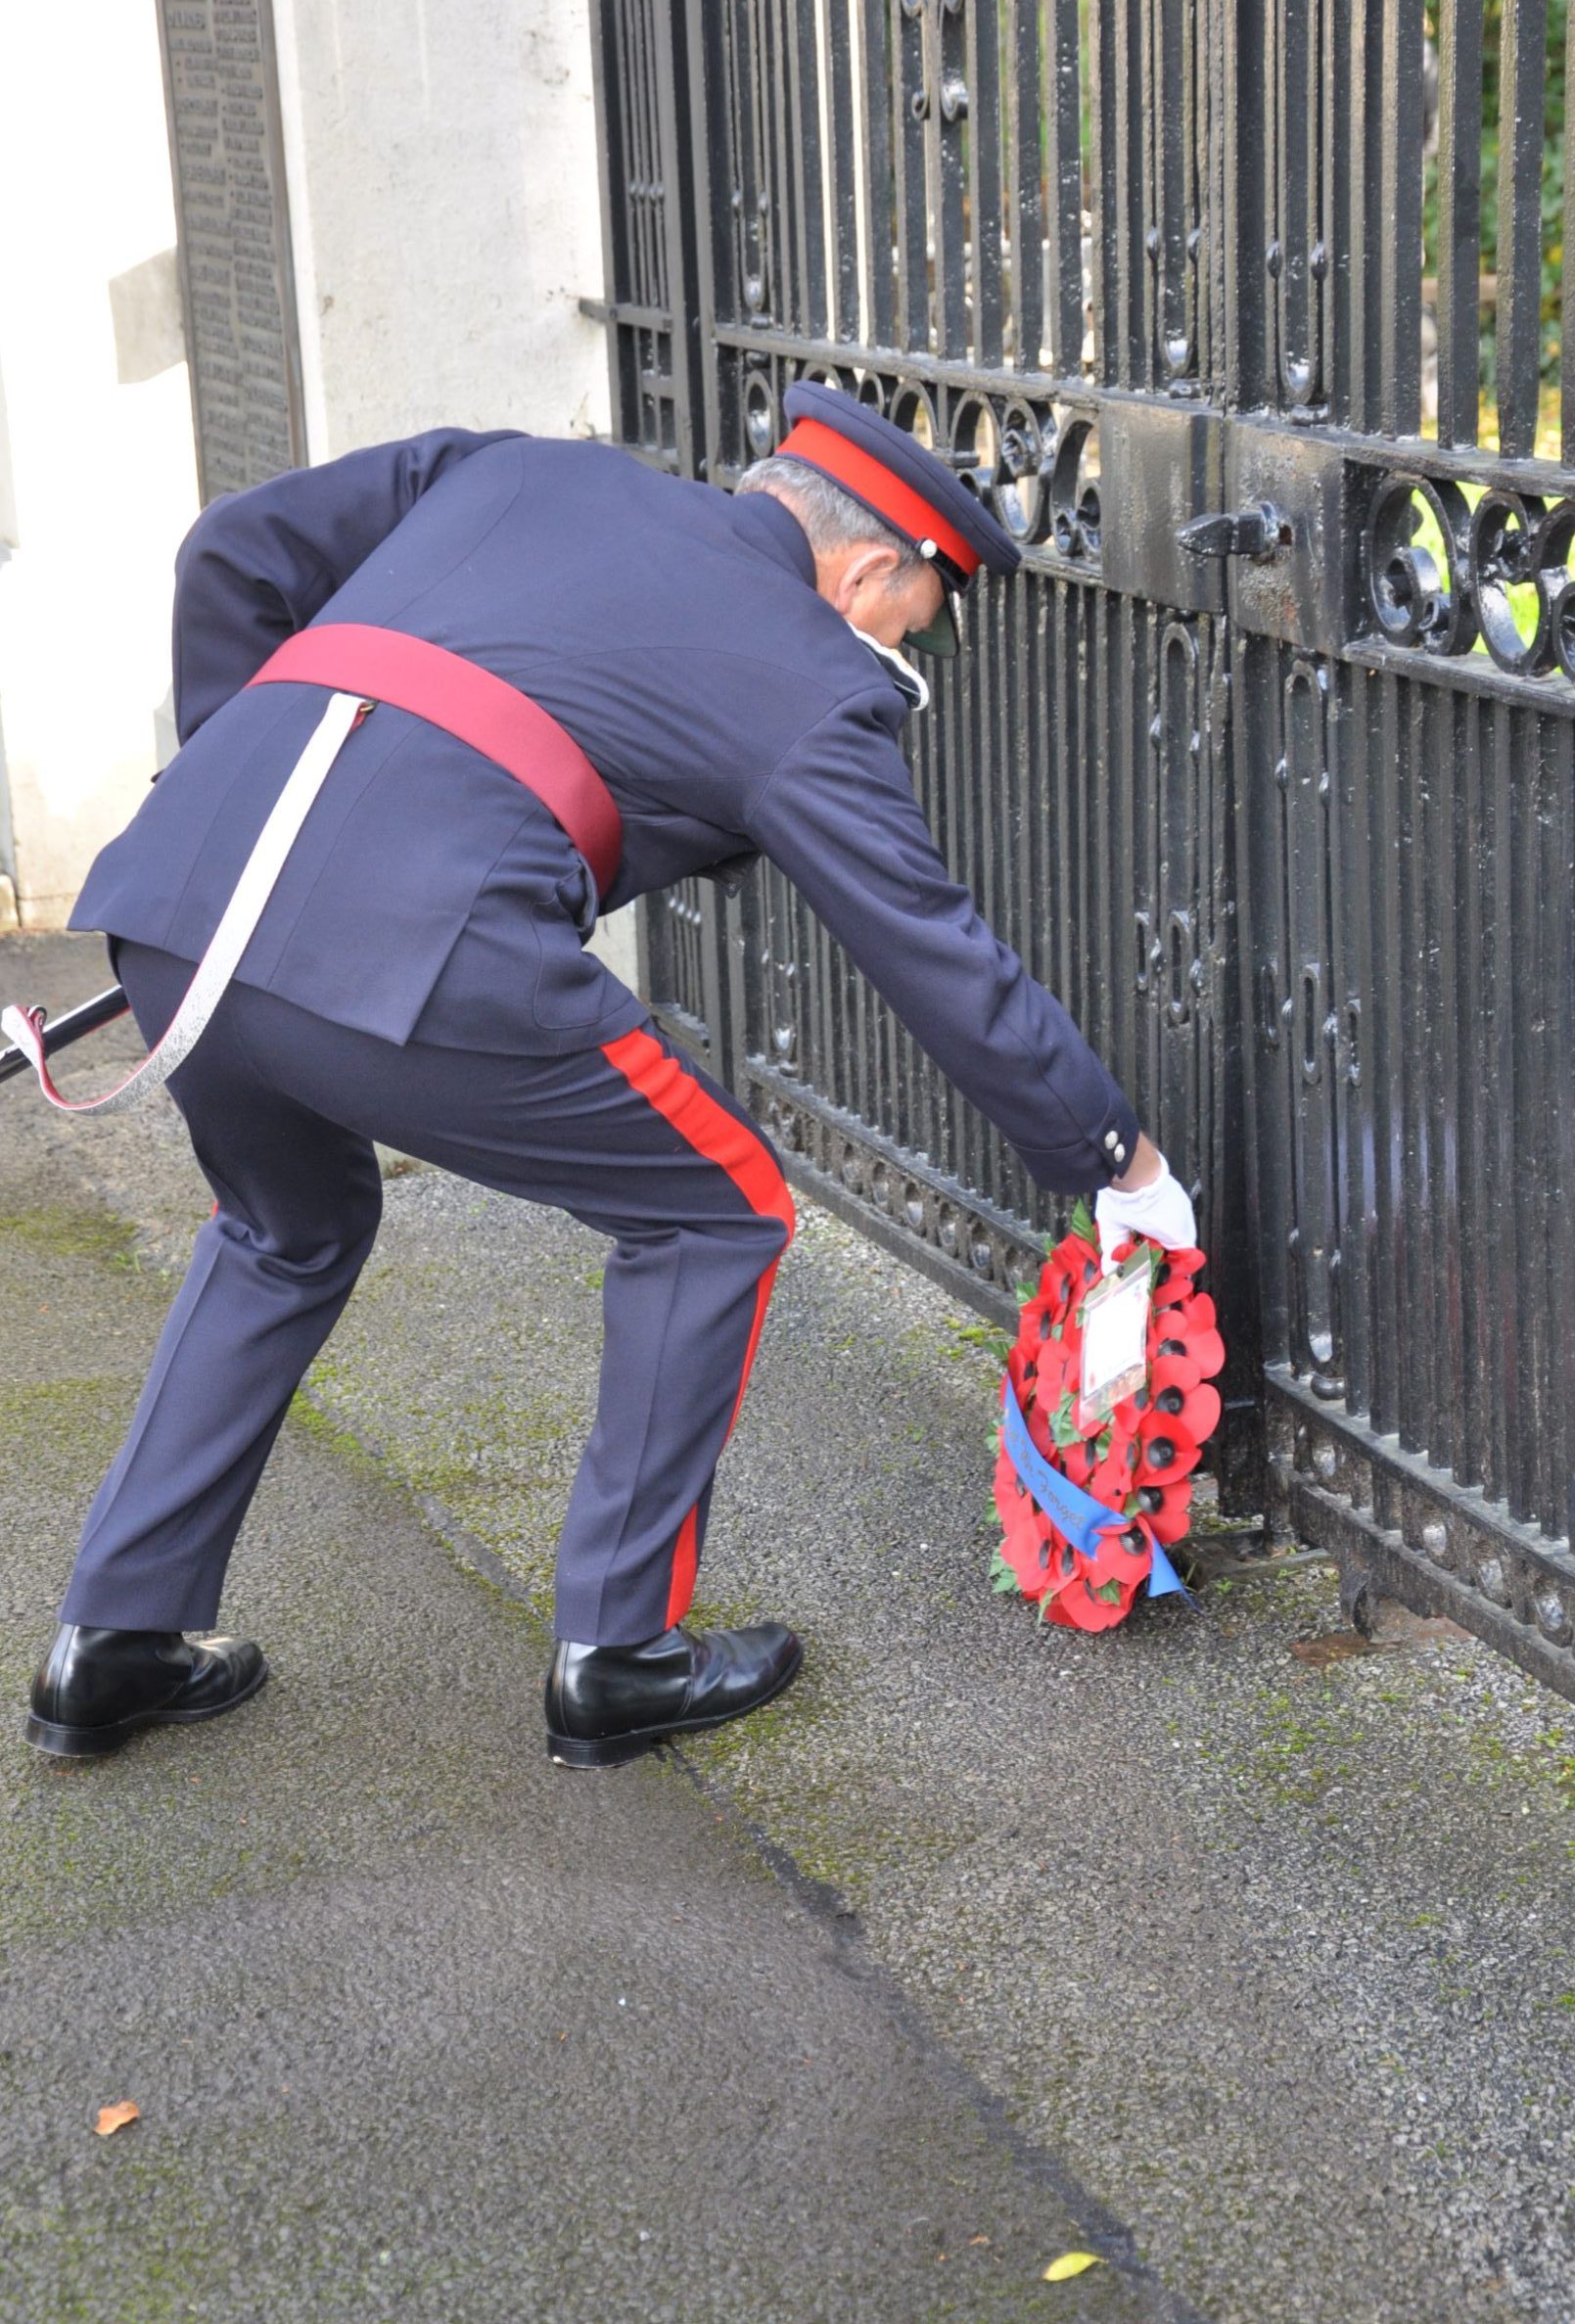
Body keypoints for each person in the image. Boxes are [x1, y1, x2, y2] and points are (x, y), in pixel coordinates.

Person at [19, 384, 1195, 1767]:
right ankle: (620, 1653)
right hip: (417, 950)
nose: (890, 657)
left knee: (288, 1230)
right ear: (871, 566)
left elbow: (230, 547)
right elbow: (935, 951)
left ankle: (114, 1636)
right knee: (720, 1206)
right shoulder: (805, 674)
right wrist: (1112, 1156)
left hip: (175, 897)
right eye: (906, 631)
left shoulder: (527, 467)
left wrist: (242, 788)